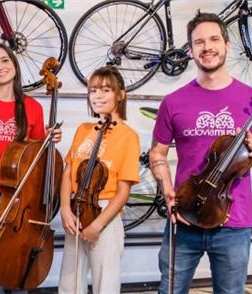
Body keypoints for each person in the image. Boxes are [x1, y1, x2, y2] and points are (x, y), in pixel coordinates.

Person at [150, 12, 252, 294]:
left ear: (227, 45)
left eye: (213, 39)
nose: (207, 47)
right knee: (169, 290)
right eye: (199, 42)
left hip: (232, 220)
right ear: (191, 50)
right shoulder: (173, 102)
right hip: (184, 215)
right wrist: (166, 187)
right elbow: (158, 154)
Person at [0, 43, 61, 294]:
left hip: (22, 199)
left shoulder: (32, 107)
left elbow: (37, 155)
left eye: (4, 61)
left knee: (19, 264)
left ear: (14, 66)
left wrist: (49, 139)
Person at [57, 66, 140, 294]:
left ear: (120, 94)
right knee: (69, 283)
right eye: (93, 90)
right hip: (76, 208)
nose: (97, 96)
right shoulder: (84, 130)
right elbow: (68, 171)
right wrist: (65, 208)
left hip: (105, 213)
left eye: (105, 90)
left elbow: (123, 192)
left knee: (106, 283)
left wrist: (97, 225)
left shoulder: (128, 137)